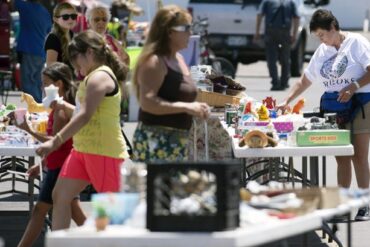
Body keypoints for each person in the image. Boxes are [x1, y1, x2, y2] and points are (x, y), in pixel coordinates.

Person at [276, 9, 370, 221]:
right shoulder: (322, 51)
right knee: (342, 157)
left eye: (322, 35)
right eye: (318, 36)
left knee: (359, 156)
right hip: (334, 107)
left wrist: (354, 86)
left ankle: (365, 204)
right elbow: (305, 80)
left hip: (362, 102)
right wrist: (287, 100)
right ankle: (343, 205)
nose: (321, 40)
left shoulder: (356, 42)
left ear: (333, 28)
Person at [36, 30, 130, 230]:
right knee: (60, 196)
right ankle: (60, 244)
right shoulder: (92, 77)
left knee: (111, 215)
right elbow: (83, 111)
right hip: (82, 150)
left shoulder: (100, 77)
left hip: (104, 151)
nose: (75, 65)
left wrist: (55, 140)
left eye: (75, 59)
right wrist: (62, 106)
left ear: (89, 52)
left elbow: (85, 115)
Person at [16, 62, 86, 247]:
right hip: (60, 164)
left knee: (40, 210)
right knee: (74, 211)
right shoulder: (61, 106)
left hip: (61, 166)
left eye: (45, 83)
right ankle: (103, 242)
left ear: (59, 84)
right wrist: (43, 163)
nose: (42, 87)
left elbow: (54, 140)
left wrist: (28, 129)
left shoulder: (62, 109)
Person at [131, 5, 210, 162]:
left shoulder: (178, 58)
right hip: (156, 141)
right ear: (170, 32)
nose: (191, 33)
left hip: (177, 141)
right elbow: (147, 102)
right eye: (186, 28)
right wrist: (186, 107)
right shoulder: (154, 61)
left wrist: (197, 107)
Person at [254, 0, 299, 91]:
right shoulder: (290, 2)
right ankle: (284, 82)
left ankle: (275, 82)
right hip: (285, 32)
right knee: (285, 58)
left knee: (271, 59)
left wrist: (257, 32)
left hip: (271, 32)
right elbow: (296, 18)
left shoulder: (267, 1)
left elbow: (259, 15)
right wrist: (294, 34)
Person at [12, 0, 51, 103]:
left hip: (29, 50)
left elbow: (12, 3)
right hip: (41, 52)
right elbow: (48, 30)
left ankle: (36, 109)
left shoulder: (25, 6)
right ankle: (39, 109)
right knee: (37, 83)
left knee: (28, 83)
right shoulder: (45, 12)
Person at [44, 2, 77, 67]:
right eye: (65, 17)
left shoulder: (72, 34)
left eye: (73, 16)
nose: (70, 19)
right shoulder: (53, 38)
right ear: (55, 19)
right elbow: (51, 67)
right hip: (60, 76)